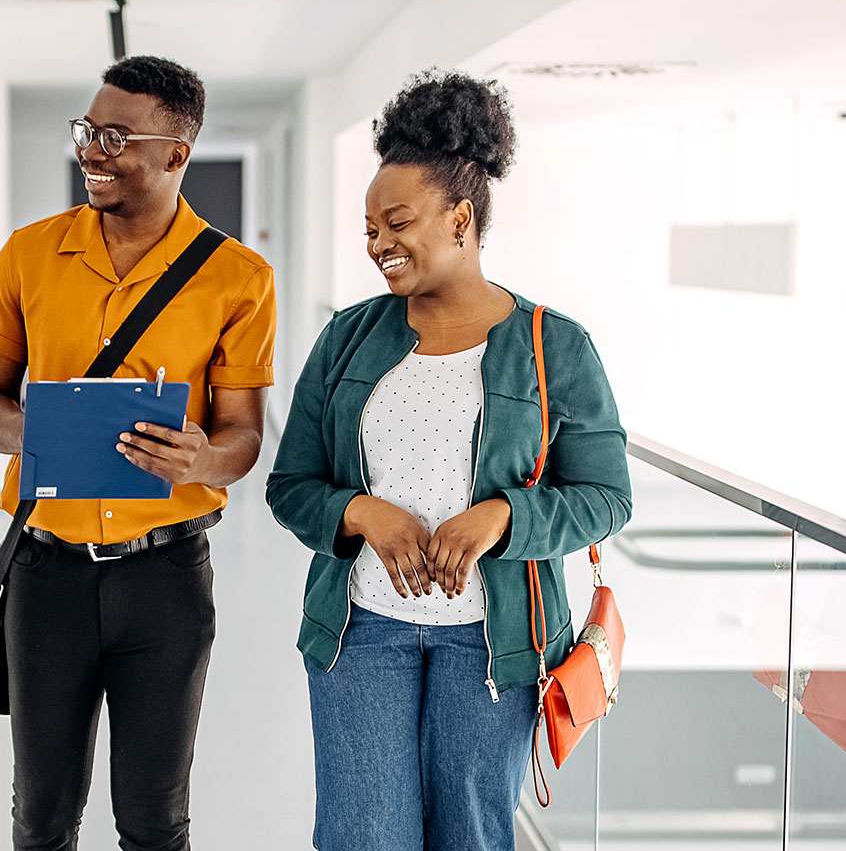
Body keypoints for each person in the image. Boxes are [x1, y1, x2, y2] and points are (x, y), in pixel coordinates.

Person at [267, 70, 632, 851]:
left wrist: (504, 517)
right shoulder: (348, 338)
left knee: (471, 834)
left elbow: (607, 497)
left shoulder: (555, 347)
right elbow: (290, 485)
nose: (377, 245)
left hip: (493, 645)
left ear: (461, 218)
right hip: (359, 633)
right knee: (362, 836)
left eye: (396, 223)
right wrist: (360, 513)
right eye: (368, 229)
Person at [0, 55, 278, 851]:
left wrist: (202, 460)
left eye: (113, 136)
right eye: (86, 130)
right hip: (45, 573)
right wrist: (45, 433)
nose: (91, 151)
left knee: (153, 822)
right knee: (40, 819)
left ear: (176, 153)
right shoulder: (29, 254)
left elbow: (244, 437)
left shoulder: (240, 280)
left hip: (165, 580)